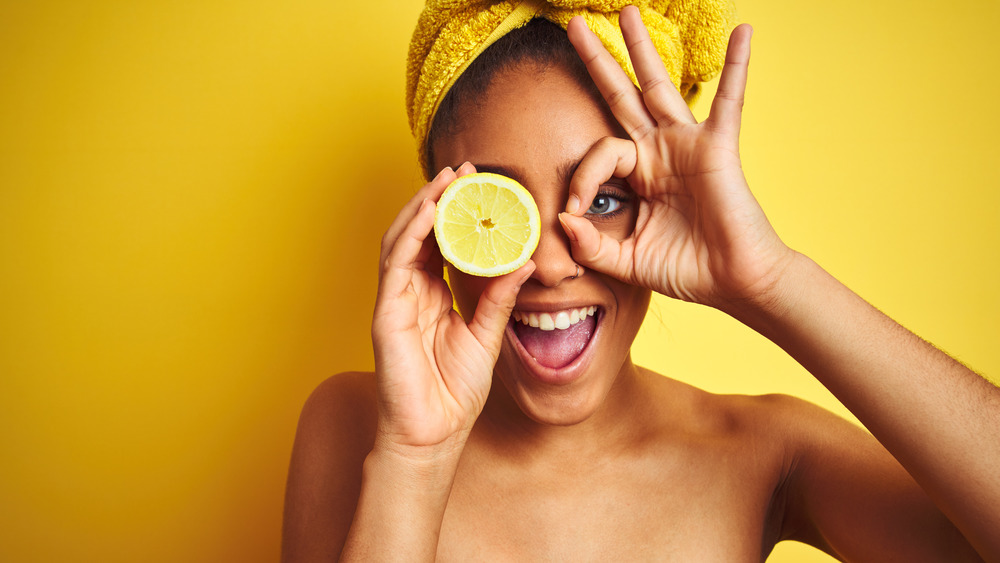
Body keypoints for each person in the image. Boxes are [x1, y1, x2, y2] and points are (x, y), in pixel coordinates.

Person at [281, 1, 1000, 560]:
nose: (553, 264)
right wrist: (416, 460)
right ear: (445, 223)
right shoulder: (360, 428)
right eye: (504, 209)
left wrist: (772, 280)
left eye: (603, 196)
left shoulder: (762, 452)